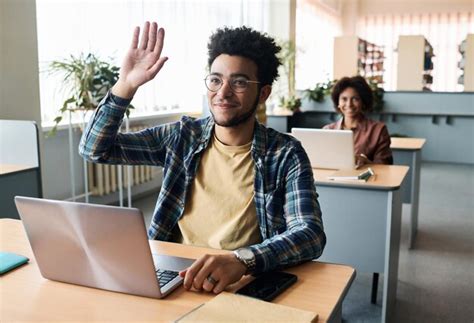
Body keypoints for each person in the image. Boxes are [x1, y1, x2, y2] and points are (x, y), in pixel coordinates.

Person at [79, 21, 326, 294]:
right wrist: (125, 85)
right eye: (216, 79)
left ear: (263, 93)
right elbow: (94, 149)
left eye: (240, 82)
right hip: (175, 273)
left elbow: (309, 234)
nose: (223, 93)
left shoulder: (285, 154)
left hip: (239, 278)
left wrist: (242, 260)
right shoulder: (182, 136)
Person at [323, 76, 393, 166]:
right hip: (330, 179)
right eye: (344, 99)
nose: (349, 104)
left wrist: (366, 162)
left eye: (355, 99)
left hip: (366, 179)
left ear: (363, 102)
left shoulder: (378, 130)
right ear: (338, 103)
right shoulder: (327, 130)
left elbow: (385, 166)